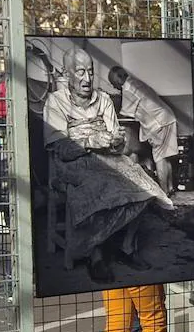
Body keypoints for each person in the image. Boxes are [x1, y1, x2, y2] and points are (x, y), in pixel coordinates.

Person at [43, 46, 173, 283]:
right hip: (74, 162)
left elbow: (117, 141)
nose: (87, 78)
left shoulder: (103, 99)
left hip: (109, 159)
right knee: (99, 187)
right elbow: (59, 147)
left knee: (146, 186)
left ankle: (126, 246)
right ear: (67, 73)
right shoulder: (56, 101)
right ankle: (96, 254)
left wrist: (115, 140)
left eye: (90, 71)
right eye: (80, 72)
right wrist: (91, 140)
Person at [107, 65, 180, 195]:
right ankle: (170, 188)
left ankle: (163, 193)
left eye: (113, 83)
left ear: (118, 79)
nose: (114, 87)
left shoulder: (128, 89)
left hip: (159, 123)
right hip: (167, 116)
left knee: (159, 158)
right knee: (166, 156)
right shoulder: (135, 82)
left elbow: (125, 114)